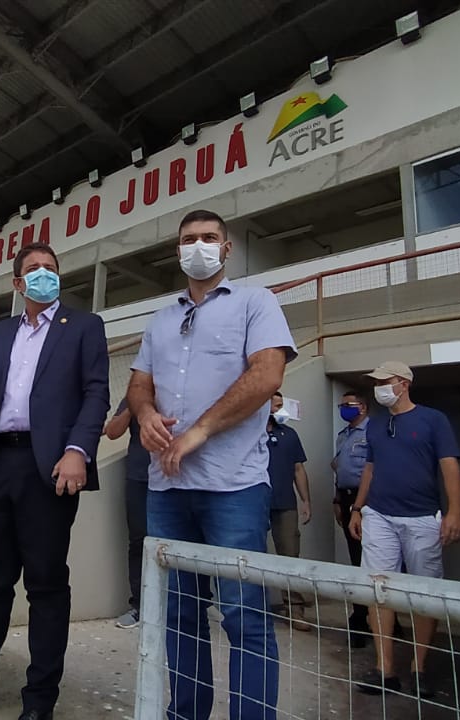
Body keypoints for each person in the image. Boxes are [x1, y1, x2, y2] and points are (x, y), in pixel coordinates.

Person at [127, 208, 296, 720]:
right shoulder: (160, 319)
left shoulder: (255, 302)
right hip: (167, 488)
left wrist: (198, 429)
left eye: (208, 238)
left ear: (226, 249)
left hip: (235, 488)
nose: (197, 246)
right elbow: (138, 384)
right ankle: (187, 712)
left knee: (244, 615)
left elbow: (267, 374)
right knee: (178, 613)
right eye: (187, 239)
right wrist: (145, 413)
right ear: (176, 250)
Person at [0, 242, 110, 720]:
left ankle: (39, 701)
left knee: (45, 585)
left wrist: (78, 451)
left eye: (51, 269)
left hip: (51, 468)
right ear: (18, 283)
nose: (44, 275)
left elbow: (96, 392)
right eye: (33, 270)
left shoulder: (83, 326)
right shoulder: (0, 333)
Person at [348, 361, 460, 699]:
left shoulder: (433, 420)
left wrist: (454, 511)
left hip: (422, 517)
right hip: (379, 515)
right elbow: (369, 468)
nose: (378, 387)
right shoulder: (375, 426)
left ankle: (419, 667)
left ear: (403, 383)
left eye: (384, 381)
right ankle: (385, 670)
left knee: (424, 593)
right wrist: (358, 508)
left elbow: (449, 465)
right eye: (376, 382)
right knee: (377, 589)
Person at [103, 398, 150, 629]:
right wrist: (133, 404)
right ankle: (140, 607)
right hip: (140, 477)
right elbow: (112, 432)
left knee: (182, 541)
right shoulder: (133, 396)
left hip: (177, 477)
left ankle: (198, 602)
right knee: (139, 542)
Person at [266, 390, 311, 631]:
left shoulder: (290, 435)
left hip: (285, 503)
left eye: (282, 405)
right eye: (275, 405)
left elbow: (298, 470)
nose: (280, 410)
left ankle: (295, 611)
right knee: (249, 554)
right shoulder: (248, 434)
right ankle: (251, 607)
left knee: (290, 557)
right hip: (254, 502)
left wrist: (306, 500)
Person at [331, 389, 372, 646]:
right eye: (341, 406)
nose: (344, 409)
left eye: (348, 405)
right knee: (356, 558)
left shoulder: (372, 432)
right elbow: (339, 470)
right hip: (346, 499)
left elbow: (373, 470)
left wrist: (359, 506)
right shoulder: (343, 436)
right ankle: (361, 616)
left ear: (363, 408)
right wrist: (337, 500)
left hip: (367, 501)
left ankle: (368, 618)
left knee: (374, 560)